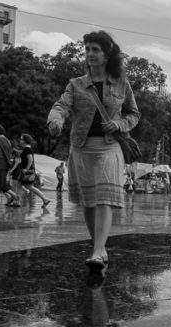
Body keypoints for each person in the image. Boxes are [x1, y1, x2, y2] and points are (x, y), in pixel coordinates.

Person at [47, 30, 140, 271]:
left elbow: (133, 113)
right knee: (89, 203)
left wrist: (119, 124)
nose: (90, 54)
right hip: (81, 148)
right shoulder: (75, 84)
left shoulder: (121, 83)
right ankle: (100, 246)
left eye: (95, 49)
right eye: (87, 49)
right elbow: (61, 106)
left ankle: (97, 252)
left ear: (107, 54)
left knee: (104, 200)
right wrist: (55, 120)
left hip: (109, 148)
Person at [17, 133, 51, 208]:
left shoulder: (27, 150)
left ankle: (17, 201)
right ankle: (45, 199)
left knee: (21, 185)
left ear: (25, 141)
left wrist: (26, 169)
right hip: (29, 172)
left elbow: (30, 159)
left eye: (21, 139)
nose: (20, 140)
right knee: (27, 186)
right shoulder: (28, 149)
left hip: (27, 172)